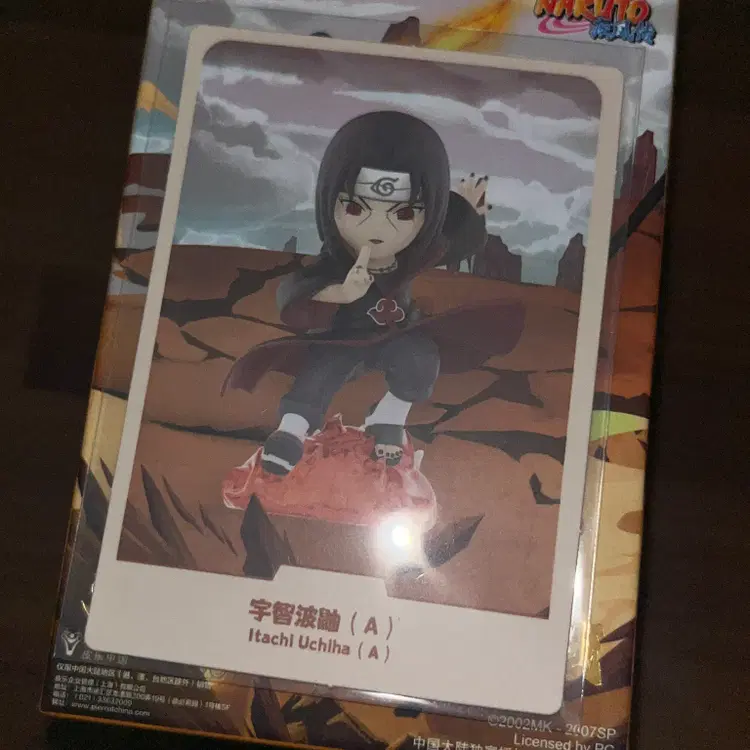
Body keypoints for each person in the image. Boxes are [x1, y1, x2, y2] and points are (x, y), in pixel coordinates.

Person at [224, 110, 524, 475]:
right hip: (343, 339)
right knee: (320, 371)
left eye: (403, 214)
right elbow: (293, 294)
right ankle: (291, 432)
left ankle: (388, 417)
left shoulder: (416, 255)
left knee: (421, 359)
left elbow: (459, 241)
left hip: (396, 335)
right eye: (355, 208)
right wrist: (339, 293)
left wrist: (470, 212)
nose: (378, 227)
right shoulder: (335, 264)